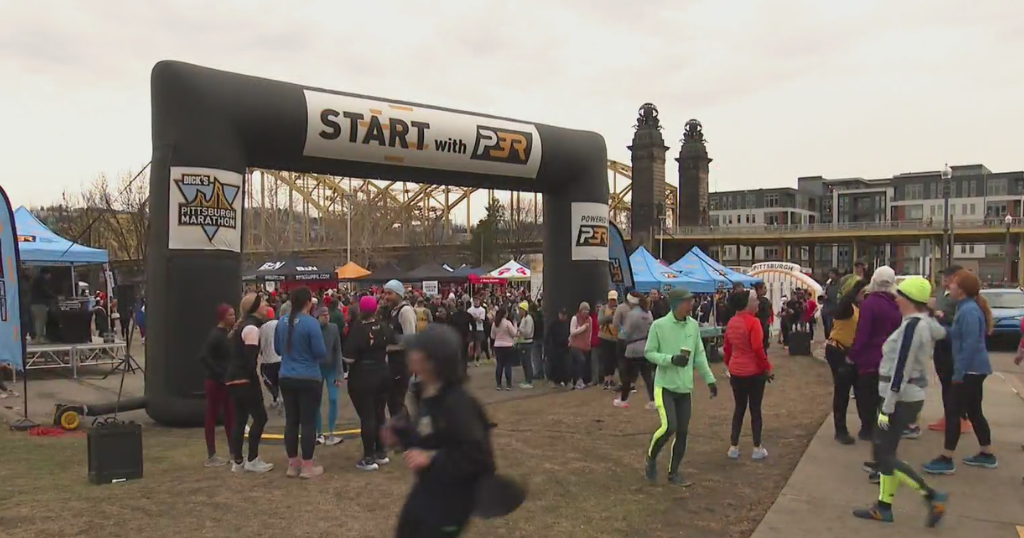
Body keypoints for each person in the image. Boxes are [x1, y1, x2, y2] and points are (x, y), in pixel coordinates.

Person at [387, 325, 504, 538]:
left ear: (432, 361)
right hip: (429, 489)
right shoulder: (425, 393)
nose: (409, 353)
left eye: (416, 350)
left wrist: (432, 458)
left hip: (451, 500)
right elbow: (429, 437)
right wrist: (402, 433)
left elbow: (479, 457)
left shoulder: (457, 403)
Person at [852, 276, 949, 526]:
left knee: (884, 454)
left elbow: (901, 367)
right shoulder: (922, 323)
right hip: (907, 396)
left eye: (899, 295)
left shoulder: (913, 327)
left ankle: (931, 495)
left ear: (909, 299)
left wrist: (887, 405)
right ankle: (884, 506)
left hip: (899, 397)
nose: (896, 298)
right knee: (886, 451)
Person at [923, 270, 997, 475]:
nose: (949, 287)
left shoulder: (969, 311)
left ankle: (946, 458)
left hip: (970, 370)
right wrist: (937, 326)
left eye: (953, 284)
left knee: (954, 412)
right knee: (974, 411)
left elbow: (970, 344)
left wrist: (959, 373)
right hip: (974, 369)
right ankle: (986, 453)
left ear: (962, 290)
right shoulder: (966, 308)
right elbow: (956, 334)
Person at [644, 288, 718, 486]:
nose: (691, 305)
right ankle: (651, 457)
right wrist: (670, 359)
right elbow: (649, 353)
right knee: (670, 426)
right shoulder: (659, 326)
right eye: (687, 302)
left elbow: (700, 355)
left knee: (682, 432)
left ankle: (673, 472)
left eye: (691, 301)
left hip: (684, 388)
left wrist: (710, 380)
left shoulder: (693, 326)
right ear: (676, 304)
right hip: (664, 387)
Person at [275, 287, 328, 479]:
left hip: (286, 376)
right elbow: (321, 352)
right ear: (308, 302)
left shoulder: (281, 322)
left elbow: (278, 349)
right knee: (308, 422)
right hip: (308, 377)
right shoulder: (311, 324)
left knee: (291, 421)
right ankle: (307, 466)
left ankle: (292, 464)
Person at [849, 266, 902, 442]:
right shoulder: (897, 304)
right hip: (891, 357)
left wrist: (853, 355)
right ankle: (884, 427)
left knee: (866, 395)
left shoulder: (869, 303)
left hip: (870, 358)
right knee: (885, 396)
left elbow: (863, 333)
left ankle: (867, 428)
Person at [224, 292, 273, 474]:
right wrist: (253, 378)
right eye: (263, 303)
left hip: (232, 378)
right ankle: (252, 458)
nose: (267, 305)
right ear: (255, 307)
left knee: (240, 419)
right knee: (260, 417)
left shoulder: (240, 327)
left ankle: (237, 460)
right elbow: (249, 359)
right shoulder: (252, 328)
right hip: (244, 378)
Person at [344, 296, 394, 471]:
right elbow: (393, 344)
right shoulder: (384, 326)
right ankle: (381, 452)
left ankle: (368, 457)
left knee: (368, 416)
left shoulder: (358, 329)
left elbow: (349, 358)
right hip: (382, 372)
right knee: (379, 413)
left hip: (363, 375)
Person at [723, 290, 773, 460]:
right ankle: (757, 447)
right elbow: (758, 349)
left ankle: (734, 446)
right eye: (754, 300)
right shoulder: (754, 323)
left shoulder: (731, 322)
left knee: (739, 408)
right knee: (755, 409)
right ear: (746, 304)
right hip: (753, 372)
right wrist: (767, 367)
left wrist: (730, 364)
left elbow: (727, 348)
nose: (758, 303)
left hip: (736, 371)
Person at [927, 265, 973, 435]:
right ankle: (949, 416)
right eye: (943, 277)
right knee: (945, 382)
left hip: (951, 345)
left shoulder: (962, 299)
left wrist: (943, 316)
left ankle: (960, 417)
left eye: (948, 277)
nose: (944, 280)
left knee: (952, 384)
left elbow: (961, 321)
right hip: (940, 343)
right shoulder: (941, 293)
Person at [824, 275, 866, 445]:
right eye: (861, 291)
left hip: (850, 351)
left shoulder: (856, 307)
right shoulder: (845, 307)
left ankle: (866, 426)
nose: (864, 294)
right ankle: (840, 430)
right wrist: (854, 290)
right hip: (838, 350)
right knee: (842, 391)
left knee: (860, 389)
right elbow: (841, 309)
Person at [199, 303, 236, 467]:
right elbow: (203, 356)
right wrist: (219, 373)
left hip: (226, 381)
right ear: (222, 317)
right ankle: (211, 454)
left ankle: (234, 451)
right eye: (230, 315)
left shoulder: (227, 334)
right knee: (212, 416)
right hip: (215, 382)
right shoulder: (216, 335)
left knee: (230, 416)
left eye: (234, 315)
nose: (233, 318)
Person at [384, 280, 417, 418]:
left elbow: (410, 339)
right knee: (393, 403)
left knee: (396, 403)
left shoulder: (405, 311)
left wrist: (388, 348)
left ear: (398, 294)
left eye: (389, 293)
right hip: (393, 364)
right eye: (385, 293)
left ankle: (406, 434)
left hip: (402, 364)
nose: (386, 296)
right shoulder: (393, 312)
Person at [617, 293, 655, 409]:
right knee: (648, 376)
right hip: (646, 347)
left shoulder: (631, 315)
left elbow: (626, 332)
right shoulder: (648, 313)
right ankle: (653, 400)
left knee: (627, 376)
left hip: (632, 348)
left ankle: (624, 399)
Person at [314, 306, 344, 446]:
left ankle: (331, 432)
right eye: (323, 314)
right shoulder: (313, 329)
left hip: (331, 368)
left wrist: (339, 373)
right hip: (317, 369)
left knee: (333, 399)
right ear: (317, 316)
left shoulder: (333, 328)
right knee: (316, 401)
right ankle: (319, 433)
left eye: (327, 314)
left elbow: (338, 350)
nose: (326, 316)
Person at [597, 291, 620, 390]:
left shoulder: (620, 309)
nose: (612, 302)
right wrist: (609, 317)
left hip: (616, 338)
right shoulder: (603, 308)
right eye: (611, 300)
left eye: (614, 300)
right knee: (606, 359)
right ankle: (606, 380)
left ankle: (611, 378)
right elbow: (600, 320)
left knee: (614, 360)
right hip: (605, 337)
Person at [259, 310, 282, 409]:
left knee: (269, 380)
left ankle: (276, 398)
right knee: (279, 380)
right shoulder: (280, 324)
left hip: (268, 359)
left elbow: (262, 344)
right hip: (281, 358)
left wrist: (260, 352)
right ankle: (280, 398)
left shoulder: (263, 328)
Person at [491, 307, 517, 390]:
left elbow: (492, 336)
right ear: (505, 314)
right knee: (507, 365)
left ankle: (499, 384)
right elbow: (514, 333)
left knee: (499, 365)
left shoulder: (495, 323)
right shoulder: (508, 323)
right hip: (508, 345)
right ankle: (508, 385)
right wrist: (515, 325)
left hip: (498, 345)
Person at [569, 302, 592, 390]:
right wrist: (583, 328)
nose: (586, 313)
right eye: (584, 311)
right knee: (581, 360)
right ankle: (578, 380)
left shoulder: (589, 319)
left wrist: (588, 342)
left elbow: (590, 332)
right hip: (575, 344)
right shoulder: (575, 318)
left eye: (587, 311)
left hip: (585, 345)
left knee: (582, 363)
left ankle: (578, 380)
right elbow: (572, 332)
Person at [546, 308, 571, 387]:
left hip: (565, 348)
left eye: (564, 315)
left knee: (564, 365)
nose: (563, 316)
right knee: (555, 365)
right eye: (562, 314)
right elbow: (548, 336)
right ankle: (554, 380)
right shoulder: (554, 324)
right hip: (556, 348)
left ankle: (565, 380)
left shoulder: (568, 324)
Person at [30, 268, 55, 343]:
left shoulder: (35, 279)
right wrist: (54, 296)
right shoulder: (41, 280)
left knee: (36, 320)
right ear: (47, 274)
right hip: (39, 303)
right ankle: (39, 338)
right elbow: (45, 290)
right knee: (40, 320)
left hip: (33, 303)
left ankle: (36, 337)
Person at [515, 301, 535, 389]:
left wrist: (519, 329)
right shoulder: (524, 318)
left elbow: (527, 332)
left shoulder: (528, 319)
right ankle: (526, 379)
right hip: (522, 342)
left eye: (520, 309)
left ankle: (529, 380)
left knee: (527, 362)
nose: (519, 311)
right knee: (524, 362)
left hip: (527, 342)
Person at [468, 298, 488, 364]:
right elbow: (469, 319)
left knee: (478, 345)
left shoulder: (482, 310)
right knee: (471, 344)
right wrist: (476, 318)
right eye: (475, 301)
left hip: (479, 329)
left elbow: (481, 320)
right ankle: (471, 358)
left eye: (477, 300)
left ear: (479, 301)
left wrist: (474, 318)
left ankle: (477, 359)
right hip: (471, 329)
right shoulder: (469, 310)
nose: (476, 302)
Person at [753, 283, 773, 350]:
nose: (766, 290)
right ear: (759, 289)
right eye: (764, 288)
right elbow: (768, 313)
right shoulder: (763, 301)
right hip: (762, 326)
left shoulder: (753, 300)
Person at [822, 268, 840, 339]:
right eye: (830, 273)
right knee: (826, 327)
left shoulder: (839, 285)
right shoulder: (828, 284)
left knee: (831, 327)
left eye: (832, 273)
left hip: (834, 310)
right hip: (826, 309)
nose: (830, 275)